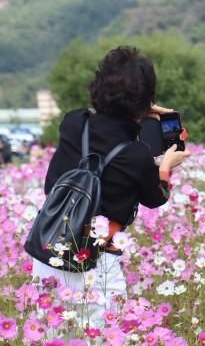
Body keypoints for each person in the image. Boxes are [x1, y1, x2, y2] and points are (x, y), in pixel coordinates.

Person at [30, 46, 191, 330]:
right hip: (95, 262)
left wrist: (139, 111)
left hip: (50, 250)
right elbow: (157, 198)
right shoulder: (136, 155)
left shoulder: (74, 122)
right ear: (146, 100)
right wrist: (165, 166)